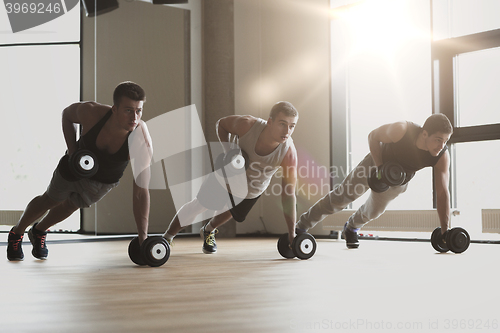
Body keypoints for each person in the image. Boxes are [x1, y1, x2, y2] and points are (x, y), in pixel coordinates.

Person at [7, 81, 153, 261]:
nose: (134, 118)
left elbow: (140, 192)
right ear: (114, 109)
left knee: (71, 205)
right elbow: (67, 115)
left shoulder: (141, 142)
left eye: (139, 110)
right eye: (128, 110)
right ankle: (17, 232)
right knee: (51, 199)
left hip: (103, 181)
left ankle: (39, 231)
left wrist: (143, 238)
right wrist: (72, 150)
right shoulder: (92, 113)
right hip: (74, 167)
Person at [295, 113, 453, 249]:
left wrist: (445, 231)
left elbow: (442, 193)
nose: (441, 145)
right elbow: (373, 136)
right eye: (438, 140)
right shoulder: (402, 130)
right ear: (425, 134)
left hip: (399, 179)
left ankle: (351, 228)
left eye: (445, 141)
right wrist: (379, 168)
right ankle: (301, 226)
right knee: (340, 198)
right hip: (376, 164)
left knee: (375, 211)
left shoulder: (441, 157)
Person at [163, 101, 299, 254]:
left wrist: (292, 233)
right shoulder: (247, 125)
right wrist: (228, 150)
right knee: (201, 205)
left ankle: (208, 230)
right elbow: (221, 125)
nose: (287, 131)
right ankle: (166, 239)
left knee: (230, 212)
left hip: (252, 189)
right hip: (228, 175)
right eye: (282, 124)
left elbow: (288, 194)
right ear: (270, 122)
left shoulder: (288, 154)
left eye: (292, 126)